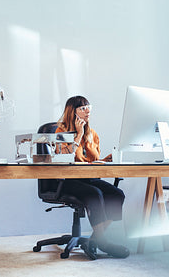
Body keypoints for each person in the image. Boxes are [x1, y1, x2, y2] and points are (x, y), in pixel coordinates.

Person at [55, 95, 129, 259]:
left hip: (89, 177)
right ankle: (103, 242)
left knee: (117, 194)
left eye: (89, 107)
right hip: (69, 180)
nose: (87, 111)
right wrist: (79, 134)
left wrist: (104, 160)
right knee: (95, 194)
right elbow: (64, 156)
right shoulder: (60, 131)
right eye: (82, 108)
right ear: (72, 112)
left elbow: (90, 161)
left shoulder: (93, 134)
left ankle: (95, 240)